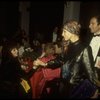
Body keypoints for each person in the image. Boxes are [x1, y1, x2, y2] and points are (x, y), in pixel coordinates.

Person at [60, 20, 99, 98]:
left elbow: (90, 72)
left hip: (75, 89)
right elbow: (61, 60)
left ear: (72, 31)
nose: (62, 34)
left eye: (64, 31)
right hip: (63, 86)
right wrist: (45, 63)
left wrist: (97, 88)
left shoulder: (85, 48)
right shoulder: (67, 45)